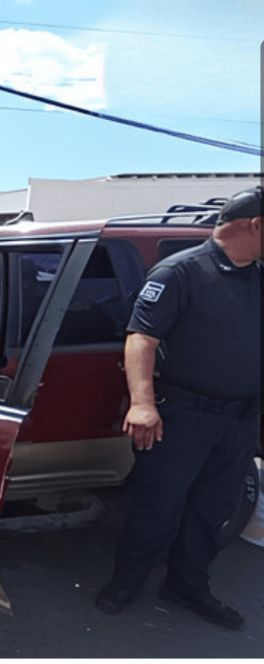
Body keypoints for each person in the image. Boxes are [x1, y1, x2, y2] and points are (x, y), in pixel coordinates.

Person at [95, 185, 262, 630]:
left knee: (213, 509)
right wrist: (143, 403)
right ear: (256, 225)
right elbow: (141, 339)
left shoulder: (257, 276)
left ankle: (187, 585)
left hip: (240, 419)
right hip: (183, 416)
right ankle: (126, 583)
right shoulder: (182, 272)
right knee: (159, 506)